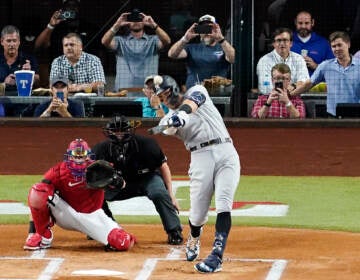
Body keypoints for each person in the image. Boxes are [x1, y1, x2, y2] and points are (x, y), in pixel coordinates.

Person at [154, 75, 240, 273]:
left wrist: (183, 113)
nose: (167, 97)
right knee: (198, 215)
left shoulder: (196, 90)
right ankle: (194, 236)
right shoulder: (167, 121)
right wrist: (173, 118)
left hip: (226, 151)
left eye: (167, 92)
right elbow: (168, 126)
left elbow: (193, 103)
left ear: (176, 88)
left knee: (224, 204)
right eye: (162, 97)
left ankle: (216, 256)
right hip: (200, 157)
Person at [23, 138, 135, 251]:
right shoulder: (58, 171)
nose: (79, 157)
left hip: (91, 216)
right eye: (76, 154)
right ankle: (43, 237)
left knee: (122, 242)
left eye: (82, 154)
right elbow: (36, 197)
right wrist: (32, 232)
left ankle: (114, 232)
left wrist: (116, 181)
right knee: (39, 191)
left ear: (87, 155)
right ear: (69, 155)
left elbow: (122, 185)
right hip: (65, 212)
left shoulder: (98, 169)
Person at [92, 115, 183, 245]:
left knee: (159, 193)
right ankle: (107, 228)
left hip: (146, 179)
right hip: (118, 183)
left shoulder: (147, 144)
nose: (119, 134)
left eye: (122, 130)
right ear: (109, 132)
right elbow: (91, 174)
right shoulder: (100, 149)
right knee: (94, 194)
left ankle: (174, 231)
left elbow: (163, 166)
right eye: (115, 131)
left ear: (129, 130)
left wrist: (171, 195)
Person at [290, 31, 360, 117]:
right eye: (333, 46)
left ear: (348, 44)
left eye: (339, 45)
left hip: (356, 114)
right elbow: (308, 84)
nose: (336, 49)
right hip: (332, 116)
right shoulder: (325, 66)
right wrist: (290, 95)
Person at [101, 8, 171, 91]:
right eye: (132, 19)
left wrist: (154, 25)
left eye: (139, 19)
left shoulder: (153, 40)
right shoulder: (120, 40)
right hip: (123, 91)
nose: (136, 22)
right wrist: (116, 25)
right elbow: (104, 42)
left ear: (144, 21)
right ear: (127, 22)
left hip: (148, 91)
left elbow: (167, 41)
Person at [168, 14, 235, 90]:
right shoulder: (191, 48)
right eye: (203, 28)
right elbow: (172, 54)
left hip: (217, 92)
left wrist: (221, 39)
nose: (206, 32)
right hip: (193, 93)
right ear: (199, 31)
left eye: (210, 28)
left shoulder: (223, 47)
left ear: (216, 29)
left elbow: (233, 59)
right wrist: (185, 38)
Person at [257, 27, 309, 94]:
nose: (282, 43)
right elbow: (265, 88)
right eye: (278, 40)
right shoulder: (264, 61)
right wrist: (291, 87)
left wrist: (293, 85)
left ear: (291, 43)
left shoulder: (299, 59)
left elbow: (305, 82)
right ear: (273, 43)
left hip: (295, 100)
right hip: (271, 101)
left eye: (285, 40)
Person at [291, 11, 334, 76]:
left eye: (307, 23)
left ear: (312, 23)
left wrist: (316, 66)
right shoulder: (287, 41)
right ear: (295, 23)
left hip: (317, 85)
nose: (303, 26)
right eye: (300, 23)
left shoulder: (324, 43)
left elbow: (333, 70)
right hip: (292, 84)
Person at [0, 25, 40, 95]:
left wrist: (29, 75)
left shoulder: (29, 59)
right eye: (8, 41)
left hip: (23, 103)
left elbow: (38, 81)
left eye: (14, 41)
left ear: (19, 42)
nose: (12, 44)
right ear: (2, 42)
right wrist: (4, 84)